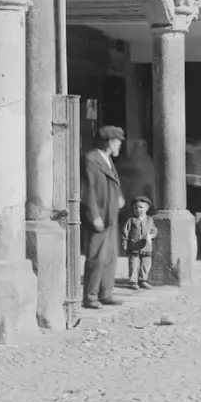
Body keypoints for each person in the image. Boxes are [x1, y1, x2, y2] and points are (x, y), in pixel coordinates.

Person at [81, 125, 126, 308]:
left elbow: (112, 182)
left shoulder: (107, 159)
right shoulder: (91, 159)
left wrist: (120, 196)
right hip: (100, 213)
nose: (119, 146)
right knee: (96, 257)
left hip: (111, 213)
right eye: (118, 142)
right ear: (109, 142)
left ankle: (106, 292)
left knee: (110, 256)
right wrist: (94, 215)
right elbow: (89, 188)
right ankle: (90, 296)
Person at [121, 196, 158, 288]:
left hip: (146, 247)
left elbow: (154, 231)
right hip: (134, 246)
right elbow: (125, 232)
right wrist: (124, 243)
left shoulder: (150, 220)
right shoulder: (131, 220)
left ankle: (143, 280)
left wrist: (151, 236)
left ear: (147, 208)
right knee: (133, 264)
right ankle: (133, 281)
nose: (138, 210)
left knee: (146, 264)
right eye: (136, 207)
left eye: (141, 207)